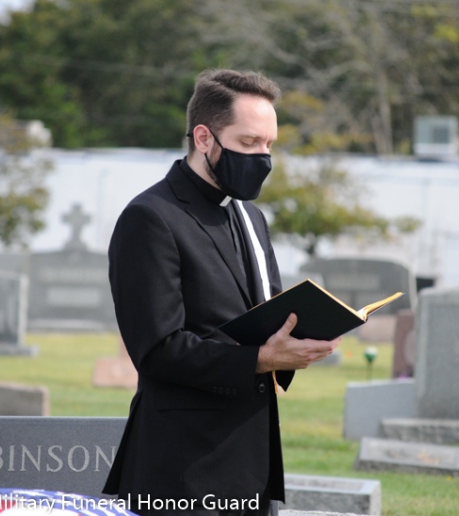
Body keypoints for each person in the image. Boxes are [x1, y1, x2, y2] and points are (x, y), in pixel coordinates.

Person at [103, 69, 340, 516]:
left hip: (253, 463)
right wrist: (261, 359)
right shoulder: (150, 218)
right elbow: (157, 350)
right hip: (182, 468)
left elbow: (265, 318)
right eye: (249, 143)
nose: (262, 158)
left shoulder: (252, 218)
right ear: (204, 138)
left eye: (269, 145)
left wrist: (303, 336)